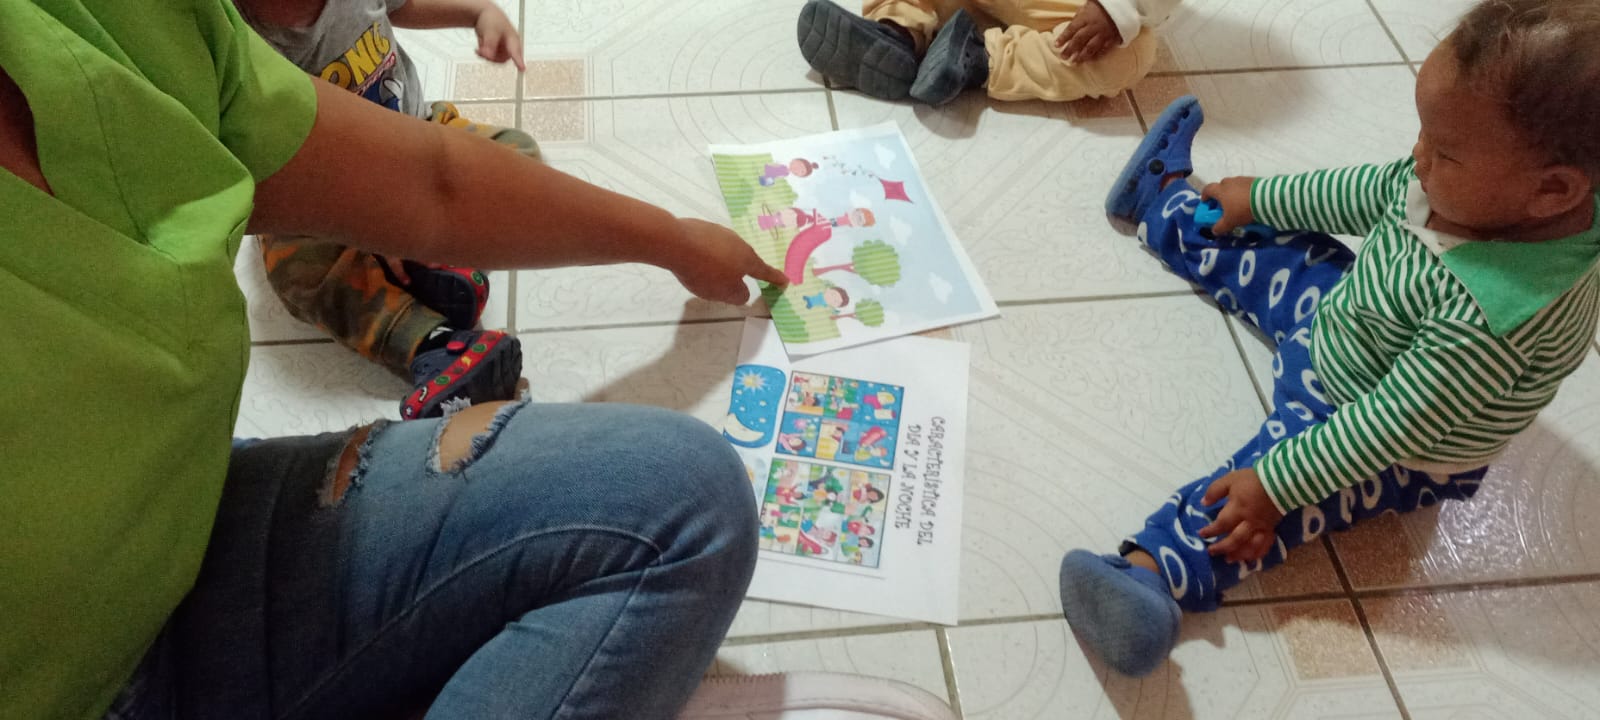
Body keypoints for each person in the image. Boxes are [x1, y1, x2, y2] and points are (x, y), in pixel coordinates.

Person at [0, 0, 792, 718]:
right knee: (309, 266)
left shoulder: (121, 20)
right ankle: (432, 341)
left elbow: (435, 182)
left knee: (678, 491)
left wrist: (675, 240)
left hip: (188, 523)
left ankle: (432, 285)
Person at [1059, 0, 1600, 677]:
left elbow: (1390, 426)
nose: (1418, 157)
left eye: (1443, 152)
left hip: (1377, 433)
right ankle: (1158, 201)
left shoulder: (1493, 321)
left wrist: (1278, 484)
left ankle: (1147, 579)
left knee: (1253, 502)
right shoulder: (1467, 189)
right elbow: (1367, 192)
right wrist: (1260, 199)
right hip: (1354, 318)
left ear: (1553, 191)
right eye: (1424, 135)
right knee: (1268, 245)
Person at [238, 0, 545, 419]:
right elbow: (261, 165)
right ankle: (432, 344)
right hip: (326, 200)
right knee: (300, 271)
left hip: (420, 138)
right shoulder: (240, 39)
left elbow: (406, 5)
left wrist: (478, 12)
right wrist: (370, 221)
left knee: (517, 158)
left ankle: (439, 267)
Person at [797, 0, 1181, 105]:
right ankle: (897, 30)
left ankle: (978, 59)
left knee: (1131, 54)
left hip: (1077, 11)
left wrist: (1118, 10)